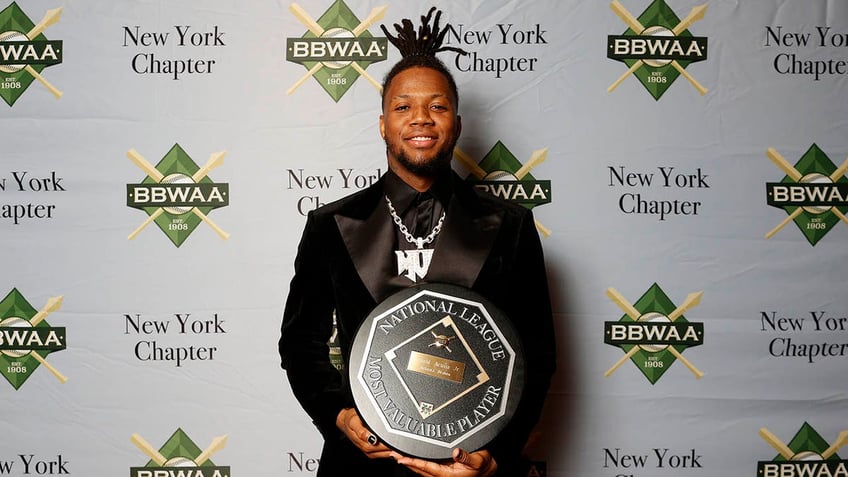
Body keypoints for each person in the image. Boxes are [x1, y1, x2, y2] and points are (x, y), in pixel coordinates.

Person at [279, 8, 556, 477]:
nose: (421, 119)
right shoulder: (332, 224)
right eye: (403, 107)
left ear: (458, 124)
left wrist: (496, 456)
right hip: (361, 465)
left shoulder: (509, 225)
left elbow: (538, 353)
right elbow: (300, 344)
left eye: (438, 106)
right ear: (383, 124)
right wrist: (339, 416)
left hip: (469, 464)